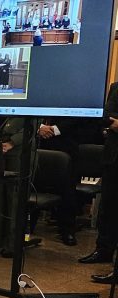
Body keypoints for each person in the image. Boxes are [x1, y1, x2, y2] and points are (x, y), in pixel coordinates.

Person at [81, 82, 118, 284]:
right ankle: (103, 250)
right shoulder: (116, 87)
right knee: (108, 208)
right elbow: (107, 118)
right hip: (113, 157)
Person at [0, 117, 29, 257]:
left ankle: (12, 245)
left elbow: (31, 126)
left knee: (14, 198)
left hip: (20, 150)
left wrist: (13, 142)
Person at [37, 117, 80, 246]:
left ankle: (67, 230)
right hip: (38, 142)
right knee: (34, 184)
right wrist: (39, 128)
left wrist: (53, 130)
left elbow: (78, 118)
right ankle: (27, 227)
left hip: (66, 143)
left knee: (67, 190)